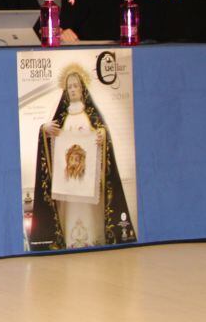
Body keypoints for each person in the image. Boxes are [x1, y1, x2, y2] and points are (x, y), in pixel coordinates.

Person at [28, 65, 135, 250]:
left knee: (91, 213)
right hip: (68, 185)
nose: (73, 89)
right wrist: (44, 130)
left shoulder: (91, 116)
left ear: (82, 88)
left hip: (88, 182)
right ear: (65, 91)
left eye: (76, 86)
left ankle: (94, 239)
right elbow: (49, 142)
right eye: (69, 87)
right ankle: (69, 241)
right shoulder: (61, 118)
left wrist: (102, 134)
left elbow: (102, 136)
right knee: (69, 213)